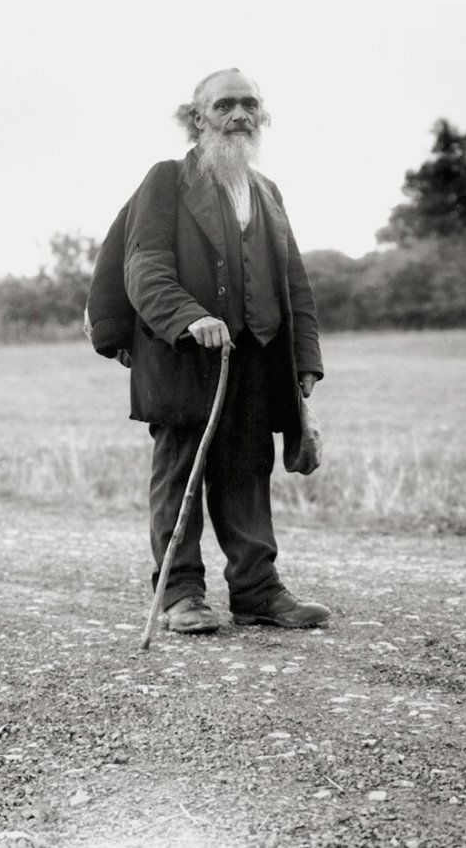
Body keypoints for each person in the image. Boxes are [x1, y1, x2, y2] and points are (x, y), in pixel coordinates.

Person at [119, 68, 329, 634]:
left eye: (249, 105)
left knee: (248, 473)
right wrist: (190, 317)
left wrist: (305, 360)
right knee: (181, 474)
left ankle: (258, 591)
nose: (239, 115)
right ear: (198, 118)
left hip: (255, 358)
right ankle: (180, 595)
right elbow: (144, 267)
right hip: (184, 356)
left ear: (262, 115)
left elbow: (293, 281)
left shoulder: (267, 191)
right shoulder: (166, 180)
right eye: (224, 105)